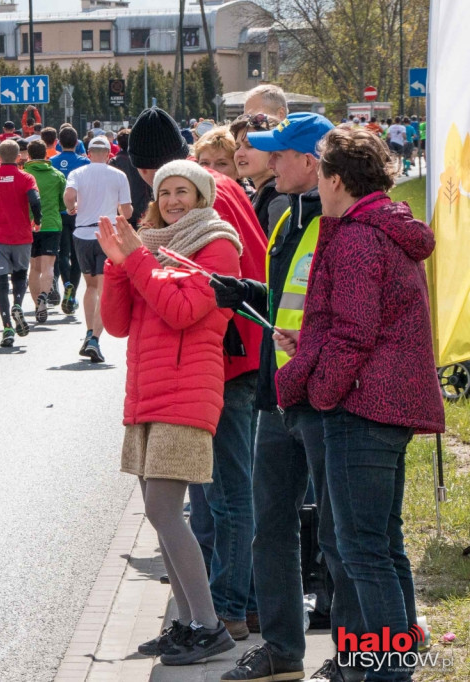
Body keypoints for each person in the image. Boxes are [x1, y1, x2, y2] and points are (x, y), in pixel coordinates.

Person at [275, 126, 445, 682]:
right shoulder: (383, 228)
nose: (317, 184)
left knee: (362, 550)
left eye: (321, 173)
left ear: (337, 180)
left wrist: (322, 390)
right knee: (384, 544)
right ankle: (395, 663)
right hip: (385, 404)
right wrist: (311, 346)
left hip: (361, 408)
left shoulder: (354, 236)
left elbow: (354, 333)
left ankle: (389, 673)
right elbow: (364, 322)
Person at [210, 113, 366, 682]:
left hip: (325, 399)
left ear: (311, 162)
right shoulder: (284, 213)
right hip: (278, 396)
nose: (270, 163)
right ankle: (282, 652)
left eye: (279, 155)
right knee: (269, 527)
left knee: (336, 534)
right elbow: (286, 297)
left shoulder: (342, 221)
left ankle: (351, 659)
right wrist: (244, 291)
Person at [128, 105, 269, 644]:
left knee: (225, 494)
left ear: (151, 171)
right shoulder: (212, 189)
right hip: (232, 352)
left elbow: (199, 297)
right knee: (215, 496)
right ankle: (226, 607)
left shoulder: (199, 203)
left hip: (227, 357)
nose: (159, 197)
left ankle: (224, 612)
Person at [98, 160, 242, 666]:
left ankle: (209, 627)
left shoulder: (218, 246)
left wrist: (136, 258)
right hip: (146, 394)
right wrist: (117, 262)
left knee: (164, 510)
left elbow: (182, 312)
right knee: (159, 517)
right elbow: (115, 325)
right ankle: (187, 624)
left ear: (202, 197)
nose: (173, 200)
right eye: (165, 192)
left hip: (186, 394)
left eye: (184, 191)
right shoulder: (151, 243)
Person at [63, 135, 132, 363]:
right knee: (105, 288)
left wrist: (71, 207)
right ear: (109, 155)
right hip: (107, 233)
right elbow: (128, 211)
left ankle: (88, 331)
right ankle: (94, 339)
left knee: (90, 286)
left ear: (89, 154)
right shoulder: (119, 175)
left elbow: (69, 195)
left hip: (83, 233)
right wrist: (120, 215)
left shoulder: (78, 173)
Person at [0, 139, 42, 347]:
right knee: (20, 277)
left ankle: (7, 327)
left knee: (1, 283)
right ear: (19, 157)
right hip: (22, 236)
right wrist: (37, 220)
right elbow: (35, 200)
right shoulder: (26, 178)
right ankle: (18, 306)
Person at [23, 140, 66, 324]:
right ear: (46, 155)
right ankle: (43, 296)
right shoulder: (57, 175)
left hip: (30, 225)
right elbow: (63, 203)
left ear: (29, 156)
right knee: (48, 267)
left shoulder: (25, 175)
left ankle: (36, 304)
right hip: (52, 224)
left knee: (34, 268)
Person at [231, 113, 289, 236]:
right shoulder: (260, 194)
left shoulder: (280, 200)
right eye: (237, 147)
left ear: (274, 151)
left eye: (250, 146)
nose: (239, 153)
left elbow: (274, 254)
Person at [52, 127, 90, 315]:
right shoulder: (84, 162)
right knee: (76, 256)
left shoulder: (51, 162)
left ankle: (65, 282)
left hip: (58, 213)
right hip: (78, 214)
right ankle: (72, 293)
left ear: (59, 142)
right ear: (77, 143)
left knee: (61, 253)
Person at [108, 128, 150, 230]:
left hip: (120, 208)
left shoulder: (114, 161)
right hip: (141, 207)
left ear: (118, 143)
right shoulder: (142, 160)